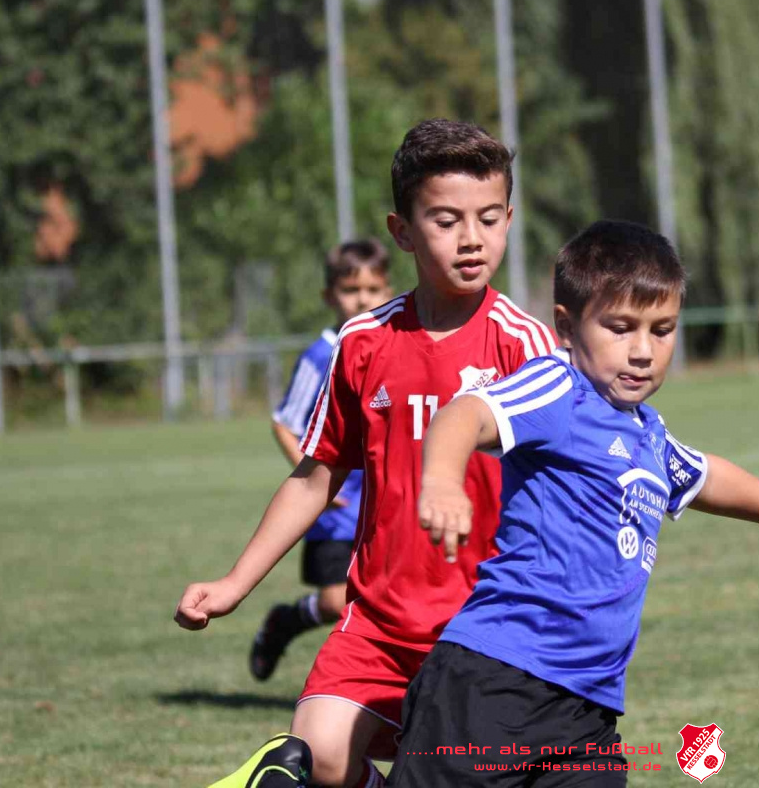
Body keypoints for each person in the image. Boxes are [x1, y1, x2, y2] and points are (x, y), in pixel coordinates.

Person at [386, 220, 759, 787]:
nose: (643, 351)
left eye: (662, 330)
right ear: (566, 326)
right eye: (620, 328)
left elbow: (706, 477)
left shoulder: (648, 432)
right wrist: (442, 480)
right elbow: (466, 413)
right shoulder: (558, 387)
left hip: (586, 707)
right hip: (494, 681)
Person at [174, 119, 557, 788]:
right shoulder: (363, 343)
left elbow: (564, 491)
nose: (472, 237)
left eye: (490, 218)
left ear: (509, 218)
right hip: (378, 624)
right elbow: (315, 476)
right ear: (402, 231)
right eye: (446, 220)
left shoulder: (525, 347)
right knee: (318, 751)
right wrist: (235, 583)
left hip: (487, 627)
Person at [250, 239, 393, 682]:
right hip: (334, 509)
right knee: (337, 600)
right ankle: (286, 621)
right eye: (351, 290)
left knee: (387, 597)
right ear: (330, 296)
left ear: (388, 290)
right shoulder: (320, 355)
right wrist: (319, 481)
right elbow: (284, 423)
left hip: (382, 505)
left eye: (373, 289)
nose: (363, 299)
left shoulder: (393, 345)